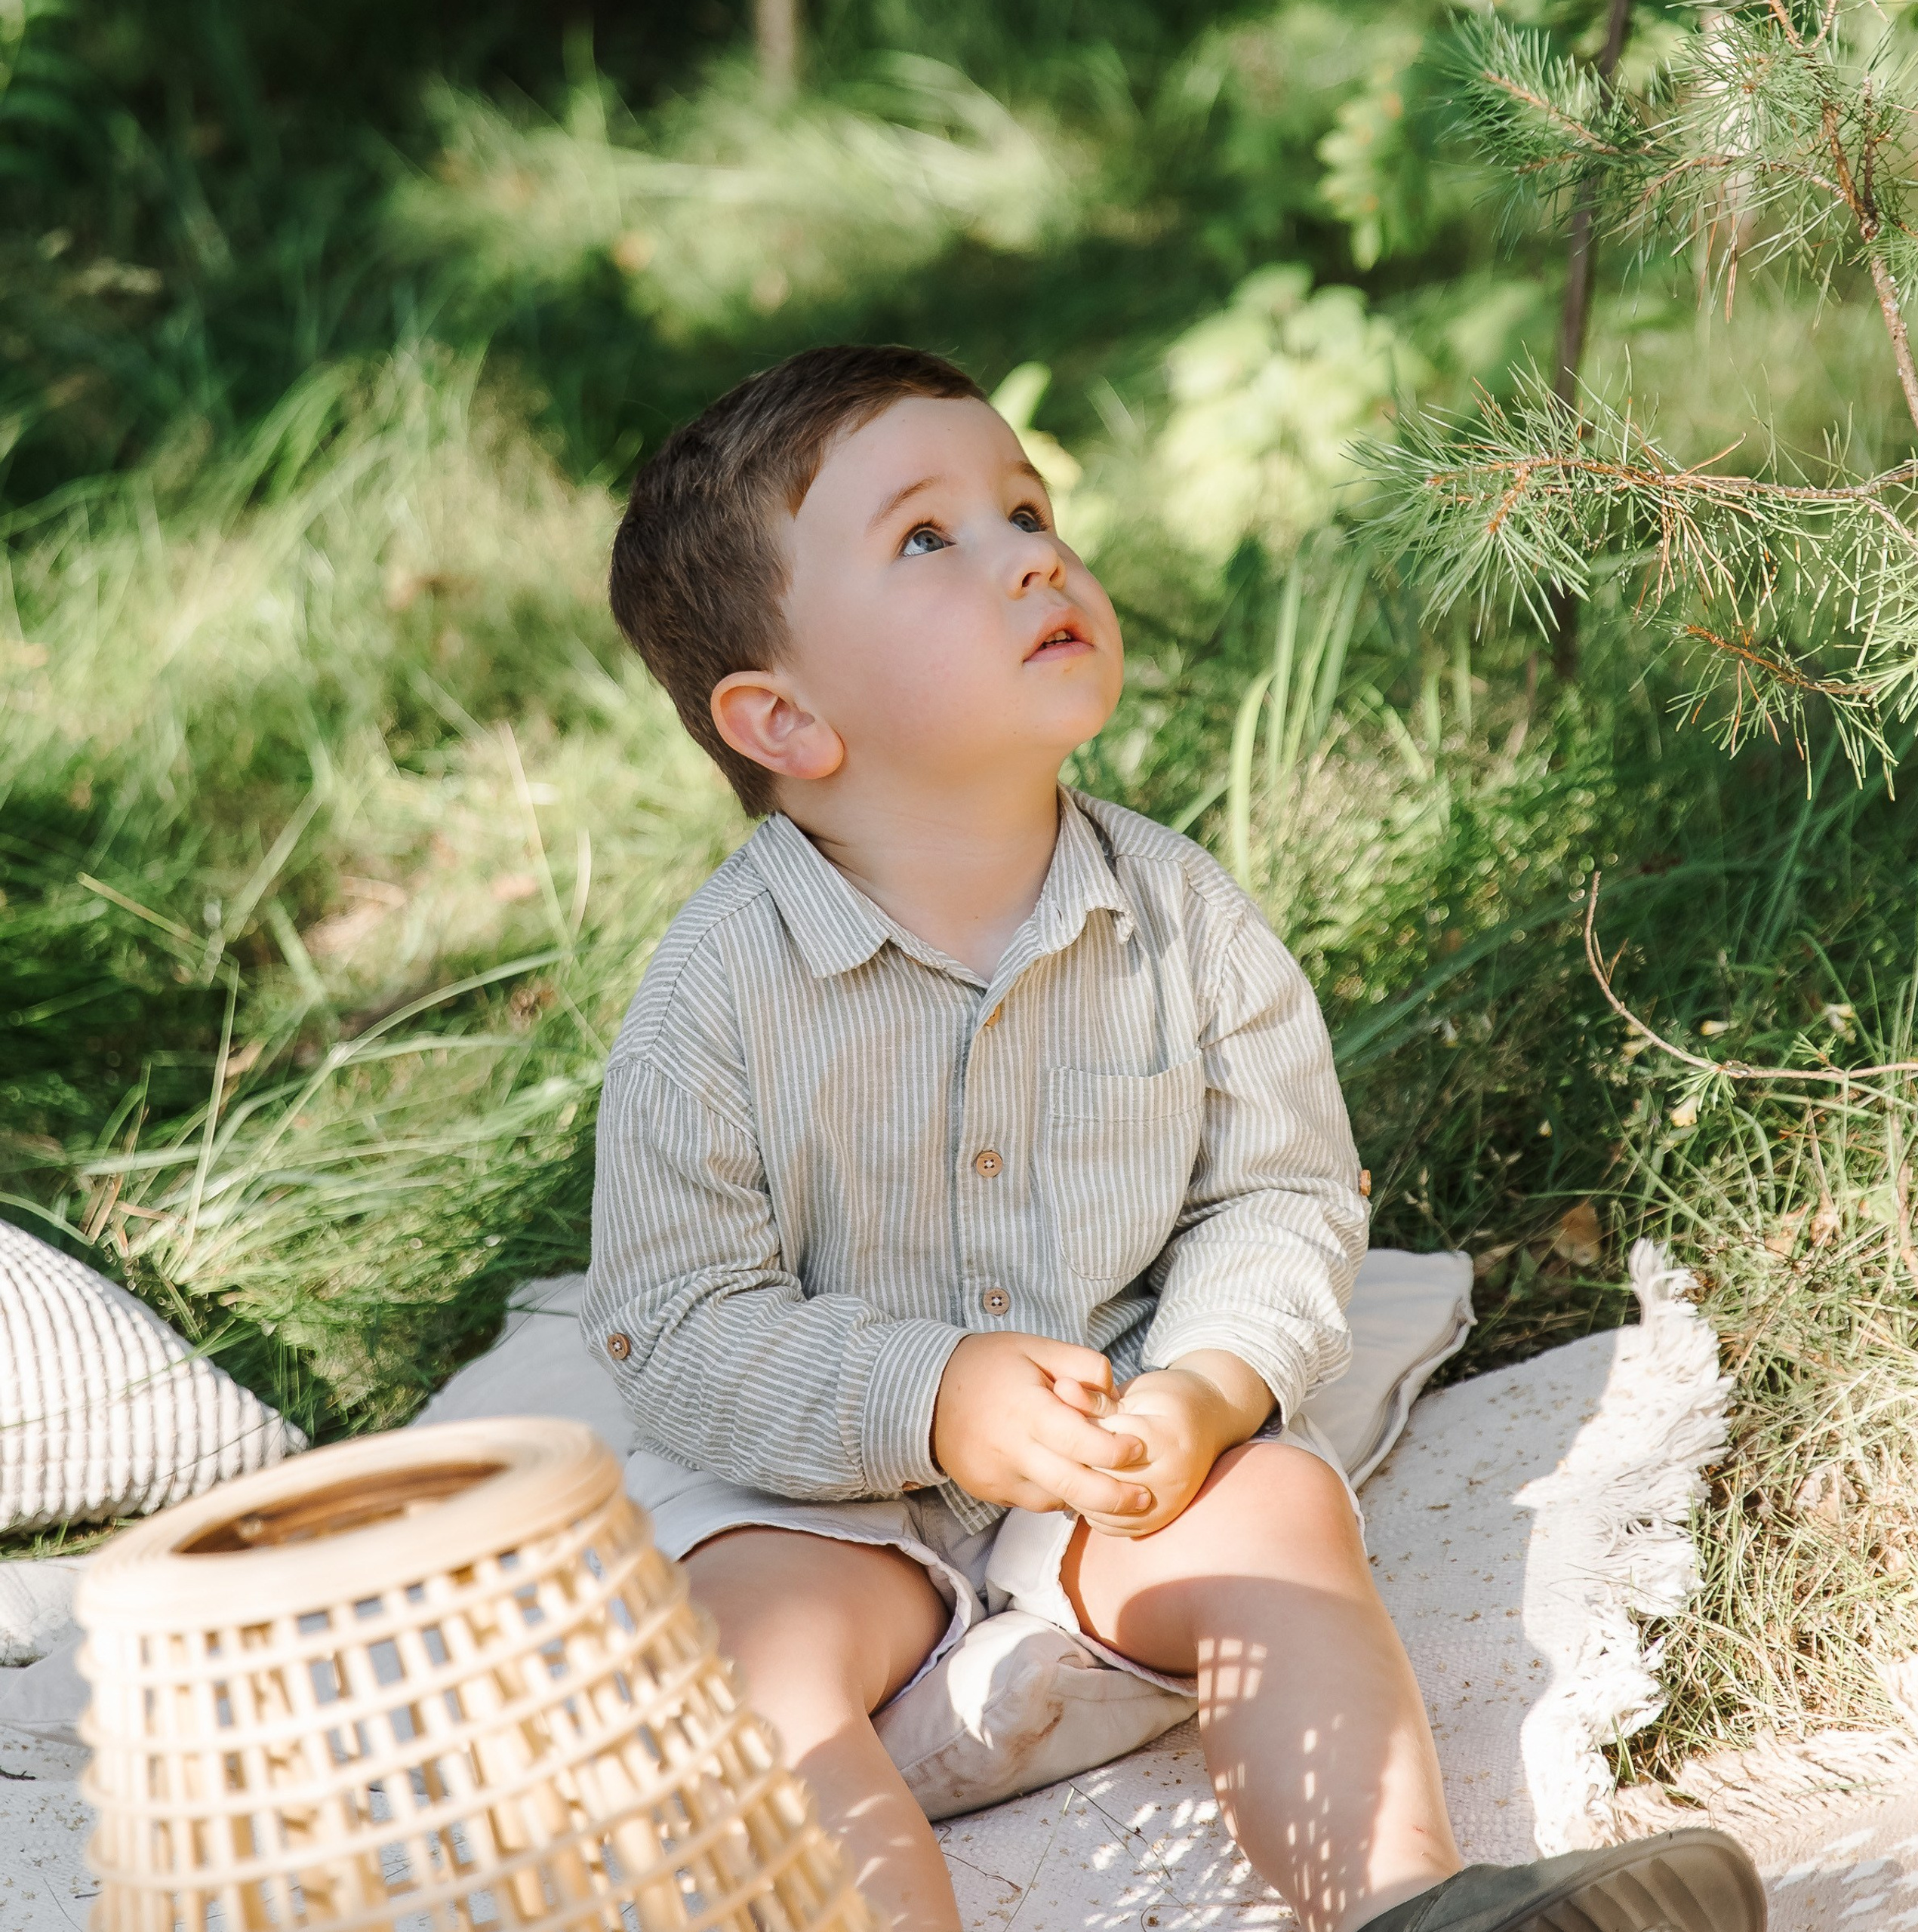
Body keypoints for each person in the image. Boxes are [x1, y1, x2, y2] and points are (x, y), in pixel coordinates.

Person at [587, 344, 1763, 1932]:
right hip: (819, 1495)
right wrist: (924, 1393)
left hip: (1106, 1459)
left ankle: (1403, 1901)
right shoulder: (713, 993)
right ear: (785, 718)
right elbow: (681, 1323)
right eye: (928, 538)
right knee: (738, 1659)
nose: (1027, 553)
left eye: (1025, 505)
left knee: (1280, 1513)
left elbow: (1272, 1191)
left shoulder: (1176, 910)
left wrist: (1208, 1380)